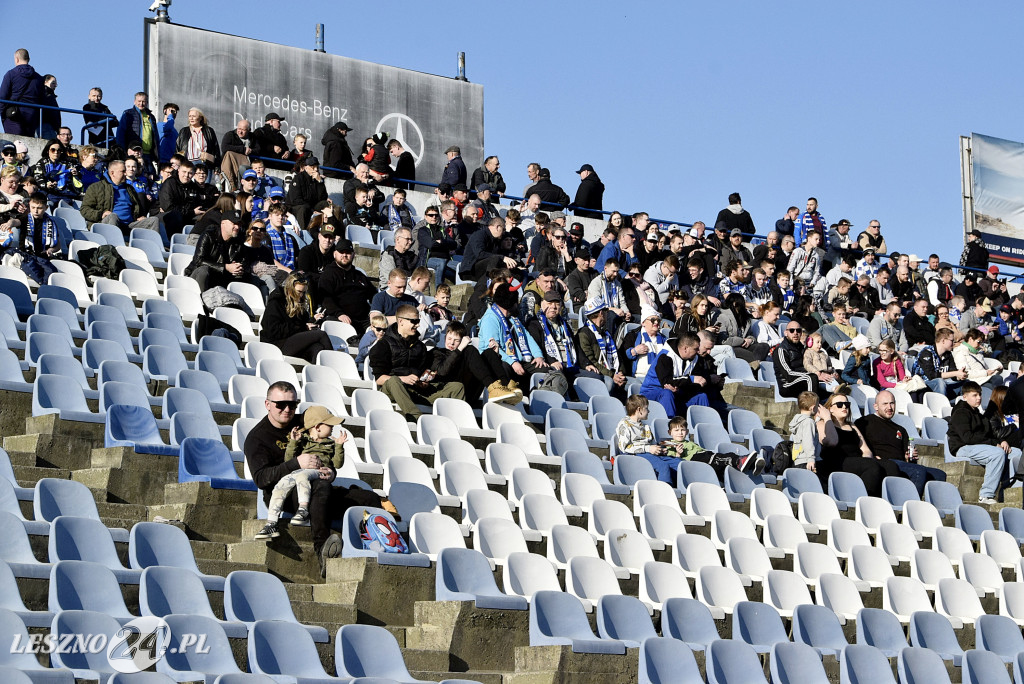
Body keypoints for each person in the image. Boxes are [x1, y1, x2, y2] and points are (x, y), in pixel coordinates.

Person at [245, 382, 385, 577]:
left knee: (368, 498)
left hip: (318, 488)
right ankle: (323, 550)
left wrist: (331, 471)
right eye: (280, 405)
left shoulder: (306, 420)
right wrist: (296, 463)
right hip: (285, 494)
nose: (288, 409)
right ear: (267, 404)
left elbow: (328, 453)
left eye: (293, 405)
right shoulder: (257, 438)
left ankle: (378, 551)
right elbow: (262, 479)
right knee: (321, 487)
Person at [255, 405, 348, 540]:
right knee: (280, 486)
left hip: (317, 471)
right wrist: (293, 442)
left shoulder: (331, 444)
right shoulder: (303, 440)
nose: (333, 427)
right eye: (330, 424)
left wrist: (339, 446)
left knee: (303, 476)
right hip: (298, 472)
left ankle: (303, 510)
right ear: (317, 427)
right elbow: (288, 459)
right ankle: (271, 523)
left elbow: (337, 464)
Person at [369, 304, 465, 421]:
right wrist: (403, 379)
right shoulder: (383, 345)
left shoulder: (420, 346)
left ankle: (456, 423)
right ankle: (418, 419)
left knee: (456, 387)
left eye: (418, 321)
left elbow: (422, 371)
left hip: (416, 389)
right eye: (414, 321)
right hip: (393, 389)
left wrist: (423, 382)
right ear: (401, 321)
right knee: (394, 380)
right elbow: (379, 379)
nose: (418, 325)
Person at [857, 390, 947, 495]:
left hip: (901, 464)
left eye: (892, 403)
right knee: (919, 471)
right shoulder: (865, 422)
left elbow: (908, 459)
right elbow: (859, 446)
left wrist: (909, 457)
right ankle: (910, 505)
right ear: (876, 406)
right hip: (883, 462)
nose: (889, 407)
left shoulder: (901, 429)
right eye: (885, 404)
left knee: (940, 474)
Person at [816, 392, 900, 497]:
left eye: (846, 404)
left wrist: (866, 459)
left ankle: (890, 500)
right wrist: (827, 418)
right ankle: (864, 501)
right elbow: (830, 442)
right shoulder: (822, 424)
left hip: (857, 461)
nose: (844, 407)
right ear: (830, 408)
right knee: (871, 466)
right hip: (837, 462)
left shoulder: (852, 426)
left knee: (890, 466)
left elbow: (866, 450)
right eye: (839, 404)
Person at [948, 381, 1018, 504]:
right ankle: (985, 495)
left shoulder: (978, 414)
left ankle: (1008, 492)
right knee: (997, 454)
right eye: (975, 395)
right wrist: (993, 443)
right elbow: (967, 438)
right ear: (965, 396)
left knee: (1015, 453)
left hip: (977, 446)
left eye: (979, 395)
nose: (979, 398)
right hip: (963, 447)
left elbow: (990, 433)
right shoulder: (961, 412)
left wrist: (1001, 441)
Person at [477, 283, 548, 395]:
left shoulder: (512, 317)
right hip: (501, 360)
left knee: (544, 369)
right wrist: (513, 362)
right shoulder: (490, 318)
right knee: (504, 367)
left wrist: (538, 355)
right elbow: (491, 348)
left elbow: (527, 337)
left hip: (519, 358)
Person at [260, 273, 332, 363]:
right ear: (290, 289)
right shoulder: (276, 302)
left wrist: (313, 320)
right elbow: (273, 330)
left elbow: (301, 323)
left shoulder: (298, 303)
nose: (301, 295)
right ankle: (335, 366)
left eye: (304, 292)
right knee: (321, 334)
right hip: (276, 343)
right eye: (299, 291)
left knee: (317, 348)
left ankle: (319, 375)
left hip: (291, 341)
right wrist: (303, 327)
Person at [79, 160, 163, 235]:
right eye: (123, 171)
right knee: (113, 217)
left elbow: (136, 208)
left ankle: (153, 250)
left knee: (153, 221)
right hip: (106, 222)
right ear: (112, 173)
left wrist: (140, 217)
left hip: (129, 225)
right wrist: (101, 214)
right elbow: (84, 209)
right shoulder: (96, 187)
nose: (125, 174)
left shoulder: (129, 189)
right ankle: (112, 248)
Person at [639, 331, 710, 418]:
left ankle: (703, 427)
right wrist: (690, 380)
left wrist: (680, 388)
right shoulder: (665, 356)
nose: (698, 351)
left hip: (677, 393)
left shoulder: (695, 359)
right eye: (695, 349)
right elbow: (666, 382)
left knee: (701, 396)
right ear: (685, 348)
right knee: (667, 393)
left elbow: (699, 382)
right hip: (651, 393)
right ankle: (669, 426)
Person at [318, 239, 376, 333]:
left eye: (348, 252)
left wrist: (375, 311)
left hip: (364, 320)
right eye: (341, 252)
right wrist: (339, 314)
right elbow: (325, 299)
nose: (345, 255)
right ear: (334, 254)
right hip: (340, 319)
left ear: (353, 255)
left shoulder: (359, 275)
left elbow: (374, 295)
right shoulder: (328, 275)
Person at [616, 396, 676, 483]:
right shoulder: (624, 425)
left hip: (650, 453)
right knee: (663, 466)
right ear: (639, 409)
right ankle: (664, 492)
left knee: (678, 463)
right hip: (636, 454)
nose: (648, 411)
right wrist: (648, 448)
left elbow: (653, 444)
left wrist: (659, 450)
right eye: (646, 408)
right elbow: (625, 448)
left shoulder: (645, 427)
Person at [184, 209, 246, 291]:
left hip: (221, 278)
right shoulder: (208, 235)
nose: (237, 227)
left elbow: (243, 261)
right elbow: (198, 261)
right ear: (223, 223)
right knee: (204, 270)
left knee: (251, 278)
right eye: (234, 223)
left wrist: (239, 268)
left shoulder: (238, 241)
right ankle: (201, 301)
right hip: (198, 276)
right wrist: (225, 267)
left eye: (239, 224)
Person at [774, 320, 827, 399]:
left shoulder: (803, 349)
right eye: (792, 330)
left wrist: (824, 373)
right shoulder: (781, 350)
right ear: (786, 333)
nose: (795, 333)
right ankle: (813, 407)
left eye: (798, 330)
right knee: (811, 377)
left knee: (831, 381)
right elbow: (788, 374)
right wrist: (815, 374)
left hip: (803, 379)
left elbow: (810, 365)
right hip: (787, 384)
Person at [0, 49, 44, 137]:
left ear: (16, 59)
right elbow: (42, 98)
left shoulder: (11, 74)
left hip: (13, 114)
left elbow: (3, 96)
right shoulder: (39, 78)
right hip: (32, 115)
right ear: (28, 59)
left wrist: (2, 112)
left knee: (15, 144)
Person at [460, 217, 518, 281]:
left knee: (517, 272)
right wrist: (503, 257)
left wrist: (513, 265)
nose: (504, 232)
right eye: (503, 229)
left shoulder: (496, 240)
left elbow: (499, 255)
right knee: (495, 259)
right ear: (497, 227)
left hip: (485, 269)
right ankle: (488, 284)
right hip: (470, 272)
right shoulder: (479, 235)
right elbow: (480, 254)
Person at [717, 293, 768, 363]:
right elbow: (723, 340)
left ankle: (755, 365)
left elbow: (751, 334)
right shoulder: (722, 316)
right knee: (751, 356)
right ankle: (756, 364)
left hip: (745, 345)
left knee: (764, 346)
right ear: (735, 304)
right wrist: (742, 340)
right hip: (732, 347)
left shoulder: (745, 318)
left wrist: (750, 340)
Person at [287, 156, 329, 231]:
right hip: (296, 207)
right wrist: (311, 210)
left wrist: (320, 182)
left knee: (325, 204)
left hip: (311, 206)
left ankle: (328, 232)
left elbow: (323, 198)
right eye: (313, 167)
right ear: (306, 168)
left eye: (317, 167)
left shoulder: (317, 179)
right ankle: (303, 232)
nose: (316, 169)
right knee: (303, 208)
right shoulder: (298, 178)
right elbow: (295, 199)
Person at [220, 119, 259, 191]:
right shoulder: (230, 135)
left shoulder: (253, 137)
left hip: (247, 165)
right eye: (239, 129)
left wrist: (250, 151)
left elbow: (258, 150)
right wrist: (243, 149)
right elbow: (224, 148)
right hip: (232, 164)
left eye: (243, 130)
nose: (240, 132)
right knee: (229, 153)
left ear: (249, 130)